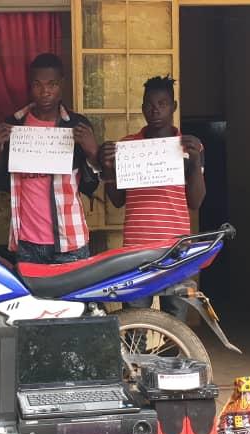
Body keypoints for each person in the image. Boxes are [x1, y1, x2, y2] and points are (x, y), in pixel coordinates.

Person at [99, 75, 206, 320]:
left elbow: (196, 201)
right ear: (142, 107)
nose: (155, 110)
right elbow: (117, 200)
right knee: (135, 320)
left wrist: (195, 161)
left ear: (174, 106)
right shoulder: (128, 146)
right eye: (149, 104)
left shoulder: (191, 147)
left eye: (162, 103)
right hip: (136, 249)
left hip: (176, 249)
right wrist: (108, 169)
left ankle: (173, 349)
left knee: (175, 322)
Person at [0, 53, 100, 265]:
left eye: (52, 84)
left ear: (62, 85)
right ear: (29, 86)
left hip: (70, 241)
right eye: (37, 85)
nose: (45, 91)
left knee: (72, 289)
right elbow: (2, 183)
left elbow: (90, 185)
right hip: (26, 241)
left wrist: (93, 152)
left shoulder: (75, 126)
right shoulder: (14, 126)